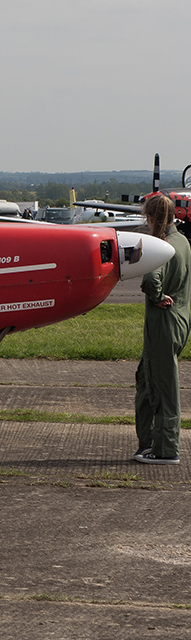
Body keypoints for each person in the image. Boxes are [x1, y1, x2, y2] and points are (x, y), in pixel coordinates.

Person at [135, 194, 191, 465]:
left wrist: (156, 297)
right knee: (146, 379)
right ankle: (148, 442)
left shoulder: (161, 245)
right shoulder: (183, 242)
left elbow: (150, 278)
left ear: (151, 217)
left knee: (162, 385)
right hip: (181, 321)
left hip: (163, 324)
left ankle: (166, 448)